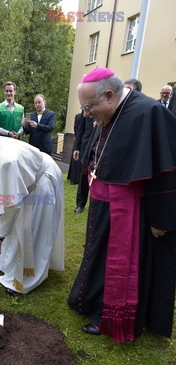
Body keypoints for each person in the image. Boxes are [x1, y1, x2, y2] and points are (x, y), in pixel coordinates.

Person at [67, 67, 176, 343]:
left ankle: (108, 314)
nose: (87, 114)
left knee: (118, 263)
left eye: (88, 107)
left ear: (109, 96)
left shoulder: (148, 113)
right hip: (103, 205)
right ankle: (89, 300)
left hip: (128, 212)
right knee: (97, 254)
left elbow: (167, 172)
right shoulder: (109, 113)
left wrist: (162, 221)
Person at [0, 134, 64, 294]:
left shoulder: (7, 161)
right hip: (27, 174)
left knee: (31, 228)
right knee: (17, 225)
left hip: (42, 181)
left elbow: (11, 207)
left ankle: (26, 278)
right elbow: (6, 193)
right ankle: (8, 263)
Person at [71, 112, 96, 214]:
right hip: (86, 146)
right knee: (83, 174)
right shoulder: (87, 106)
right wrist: (77, 147)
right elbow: (81, 129)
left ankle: (95, 205)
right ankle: (80, 204)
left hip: (100, 144)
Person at [67, 113, 82, 185]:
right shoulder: (78, 116)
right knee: (75, 159)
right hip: (79, 140)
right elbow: (76, 129)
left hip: (83, 140)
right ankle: (73, 178)